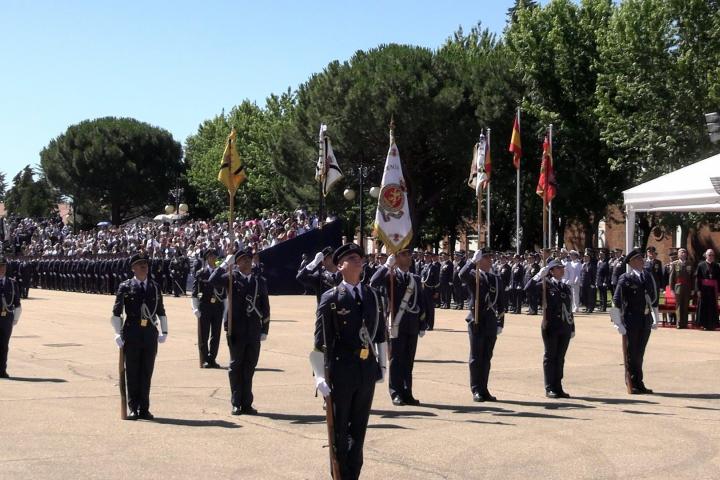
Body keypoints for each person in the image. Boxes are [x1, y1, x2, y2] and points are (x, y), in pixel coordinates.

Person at [310, 243, 387, 480]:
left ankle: (353, 474)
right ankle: (340, 474)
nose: (358, 262)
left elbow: (380, 334)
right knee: (340, 430)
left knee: (360, 428)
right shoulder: (331, 298)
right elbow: (320, 341)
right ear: (340, 265)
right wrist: (319, 376)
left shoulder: (372, 295)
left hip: (366, 369)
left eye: (360, 258)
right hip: (341, 369)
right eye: (352, 258)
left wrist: (383, 365)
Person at [210, 247, 270, 415]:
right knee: (236, 366)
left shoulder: (259, 281)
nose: (248, 262)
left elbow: (265, 306)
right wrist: (224, 265)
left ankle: (247, 403)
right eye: (243, 259)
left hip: (253, 330)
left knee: (250, 366)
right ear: (236, 263)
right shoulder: (231, 278)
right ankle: (236, 402)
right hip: (236, 329)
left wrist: (265, 328)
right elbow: (212, 280)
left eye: (249, 259)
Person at [111, 252, 168, 420]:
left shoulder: (155, 286)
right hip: (132, 331)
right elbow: (116, 312)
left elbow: (161, 310)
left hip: (150, 332)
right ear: (133, 268)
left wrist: (165, 331)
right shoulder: (125, 286)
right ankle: (133, 407)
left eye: (146, 263)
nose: (144, 266)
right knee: (133, 371)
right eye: (140, 264)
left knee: (146, 371)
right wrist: (117, 333)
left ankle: (144, 407)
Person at [370, 248, 427, 406]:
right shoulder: (390, 276)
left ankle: (407, 392)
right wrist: (386, 267)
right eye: (404, 254)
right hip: (396, 323)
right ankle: (395, 392)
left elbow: (421, 302)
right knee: (396, 360)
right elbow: (373, 283)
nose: (408, 257)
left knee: (408, 360)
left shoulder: (415, 278)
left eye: (409, 254)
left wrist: (422, 323)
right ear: (396, 257)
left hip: (412, 325)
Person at [610, 248, 659, 394]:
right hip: (631, 319)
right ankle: (631, 381)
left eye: (642, 258)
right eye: (638, 259)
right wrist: (617, 323)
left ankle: (639, 381)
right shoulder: (625, 278)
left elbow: (653, 299)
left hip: (645, 320)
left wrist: (656, 318)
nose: (642, 261)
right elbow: (616, 301)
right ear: (631, 263)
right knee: (632, 353)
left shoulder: (647, 276)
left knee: (640, 352)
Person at [459, 249, 505, 402]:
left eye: (491, 257)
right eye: (486, 257)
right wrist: (472, 262)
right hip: (477, 320)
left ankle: (484, 389)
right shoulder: (473, 275)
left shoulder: (495, 278)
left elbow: (501, 302)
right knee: (476, 357)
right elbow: (461, 275)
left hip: (491, 321)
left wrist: (500, 322)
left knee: (486, 357)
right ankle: (476, 389)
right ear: (480, 260)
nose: (490, 260)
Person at [528, 260, 575, 398]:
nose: (562, 270)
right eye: (559, 268)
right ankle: (550, 387)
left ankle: (558, 386)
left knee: (560, 358)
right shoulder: (545, 284)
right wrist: (538, 276)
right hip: (550, 326)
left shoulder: (566, 287)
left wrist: (572, 327)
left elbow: (569, 309)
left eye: (562, 268)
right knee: (550, 356)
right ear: (552, 271)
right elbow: (528, 289)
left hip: (564, 326)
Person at [191, 249, 226, 368]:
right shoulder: (201, 273)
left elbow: (224, 293)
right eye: (210, 256)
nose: (213, 258)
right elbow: (195, 293)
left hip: (217, 307)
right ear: (206, 258)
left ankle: (212, 359)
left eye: (214, 256)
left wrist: (226, 310)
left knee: (216, 335)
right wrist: (194, 308)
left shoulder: (221, 273)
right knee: (204, 335)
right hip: (204, 307)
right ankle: (205, 359)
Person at [0, 256, 22, 378]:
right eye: (0, 267)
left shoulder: (12, 283)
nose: (1, 269)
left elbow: (17, 303)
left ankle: (2, 370)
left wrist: (15, 319)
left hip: (6, 319)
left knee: (4, 345)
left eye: (3, 266)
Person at [668, 248, 694, 329]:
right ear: (678, 254)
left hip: (687, 287)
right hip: (678, 287)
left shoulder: (690, 264)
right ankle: (679, 323)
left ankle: (685, 323)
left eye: (684, 252)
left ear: (686, 254)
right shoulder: (675, 264)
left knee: (686, 305)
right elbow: (671, 277)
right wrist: (671, 289)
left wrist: (693, 289)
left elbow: (692, 277)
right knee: (679, 305)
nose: (683, 253)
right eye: (681, 252)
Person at [694, 249, 720, 331]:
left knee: (712, 307)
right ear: (706, 255)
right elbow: (697, 278)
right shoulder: (701, 265)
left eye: (712, 255)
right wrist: (698, 290)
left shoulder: (716, 265)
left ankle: (712, 324)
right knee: (704, 306)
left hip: (713, 290)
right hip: (704, 289)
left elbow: (719, 279)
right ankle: (704, 324)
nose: (711, 256)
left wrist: (719, 291)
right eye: (709, 255)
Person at [420, 251, 440, 330]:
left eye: (427, 256)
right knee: (423, 308)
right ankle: (424, 323)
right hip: (423, 290)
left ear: (431, 257)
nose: (426, 257)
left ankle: (430, 325)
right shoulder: (423, 266)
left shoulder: (434, 267)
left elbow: (437, 280)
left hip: (430, 290)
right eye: (425, 256)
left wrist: (436, 291)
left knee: (430, 308)